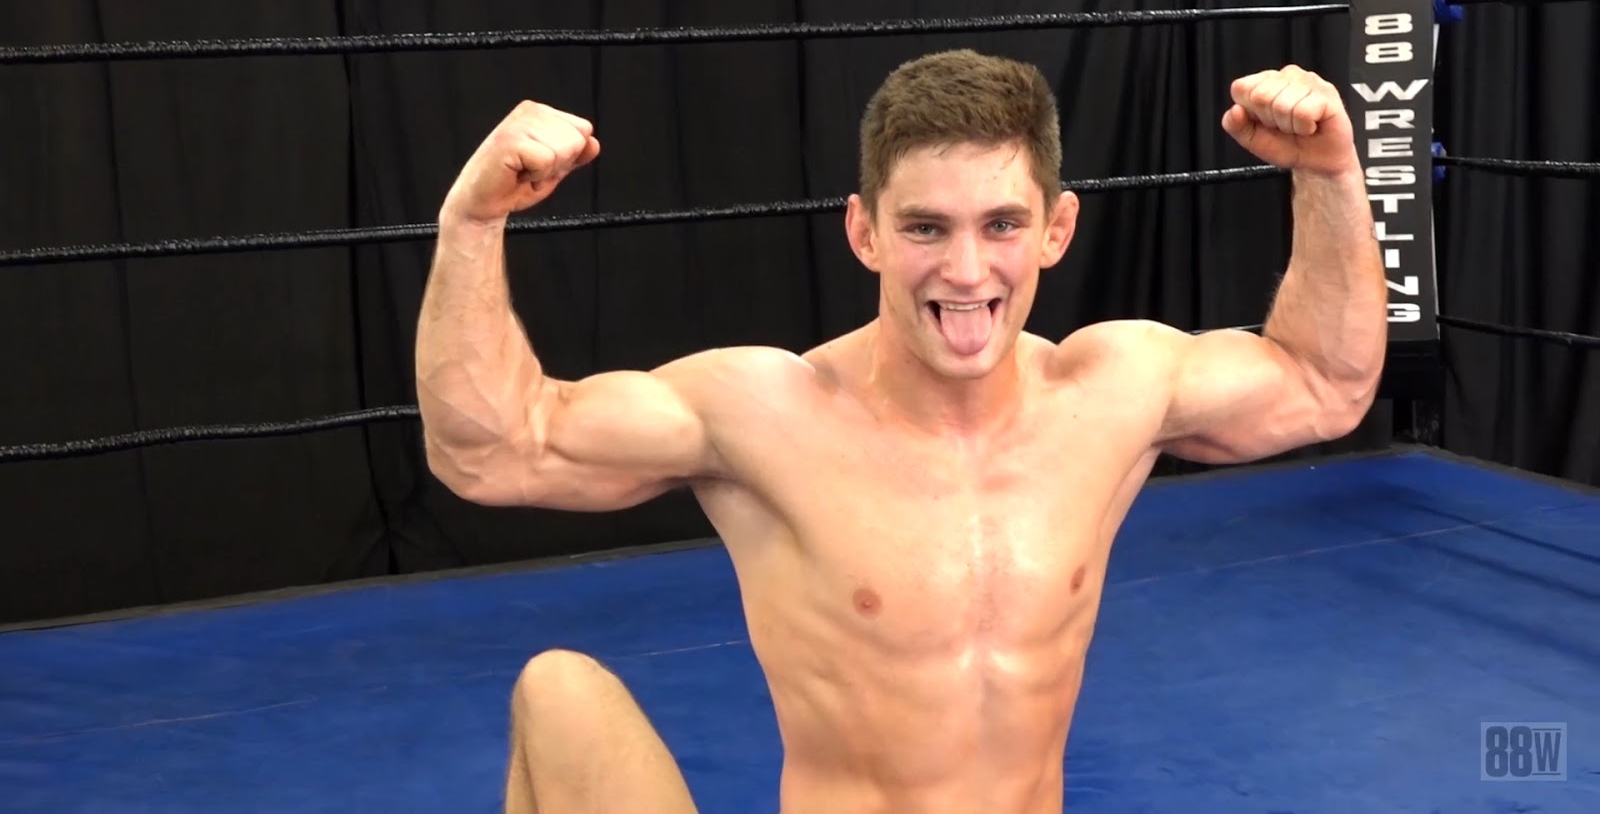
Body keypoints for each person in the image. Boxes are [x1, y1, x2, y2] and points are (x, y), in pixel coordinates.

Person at [413, 49, 1387, 813]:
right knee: (558, 692)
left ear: (1055, 230)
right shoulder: (764, 413)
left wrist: (1332, 172)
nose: (965, 271)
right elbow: (493, 450)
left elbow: (1323, 383)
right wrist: (472, 223)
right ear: (864, 232)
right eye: (925, 228)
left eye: (1001, 225)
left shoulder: (1112, 392)